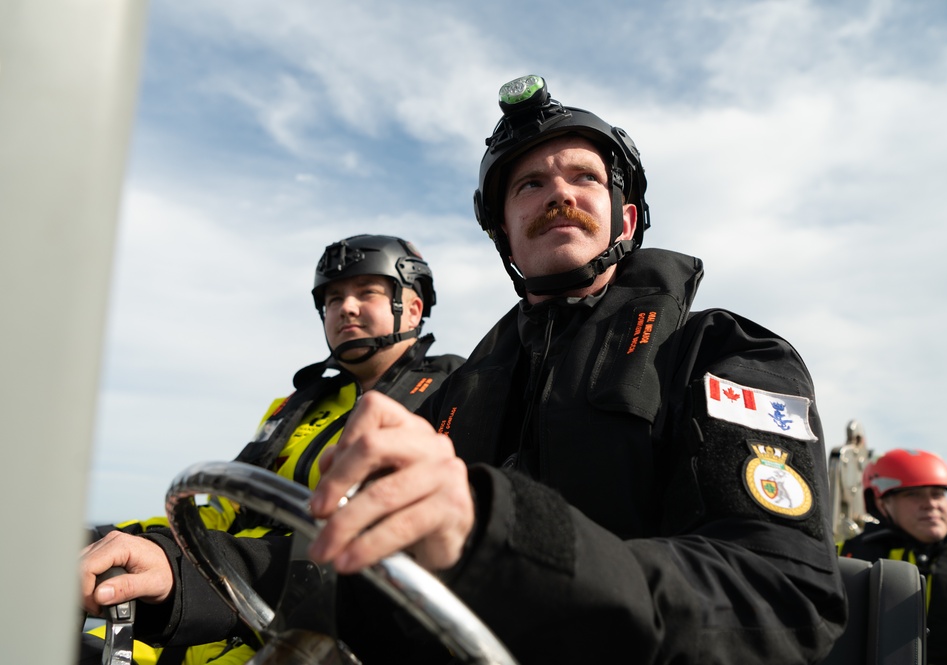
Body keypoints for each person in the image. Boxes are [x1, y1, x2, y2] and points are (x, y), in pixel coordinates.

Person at [81, 75, 847, 664]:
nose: (558, 196)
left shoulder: (726, 353)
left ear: (628, 216)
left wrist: (498, 533)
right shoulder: (457, 393)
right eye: (529, 186)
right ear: (506, 237)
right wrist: (182, 578)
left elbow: (781, 597)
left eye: (582, 178)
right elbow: (345, 560)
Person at [81, 234, 463, 664]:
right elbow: (223, 512)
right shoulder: (295, 408)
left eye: (366, 292)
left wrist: (194, 581)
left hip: (311, 638)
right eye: (334, 298)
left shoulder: (453, 398)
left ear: (412, 308)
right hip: (207, 619)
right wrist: (122, 538)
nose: (346, 308)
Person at [840, 448, 947, 665]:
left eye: (938, 493)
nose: (931, 504)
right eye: (912, 493)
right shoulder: (849, 553)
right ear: (881, 503)